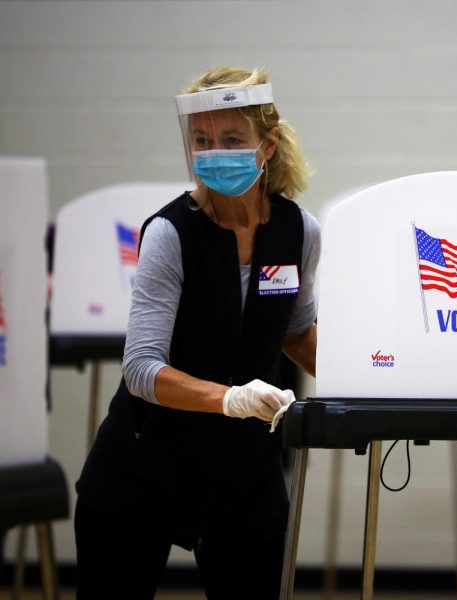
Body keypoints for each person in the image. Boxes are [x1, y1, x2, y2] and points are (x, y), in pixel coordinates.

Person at [74, 66, 320, 599]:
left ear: (268, 144)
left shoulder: (297, 231)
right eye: (202, 141)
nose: (215, 154)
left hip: (245, 479)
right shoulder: (170, 233)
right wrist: (231, 398)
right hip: (142, 469)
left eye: (232, 139)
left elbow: (296, 333)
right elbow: (141, 368)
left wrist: (372, 376)